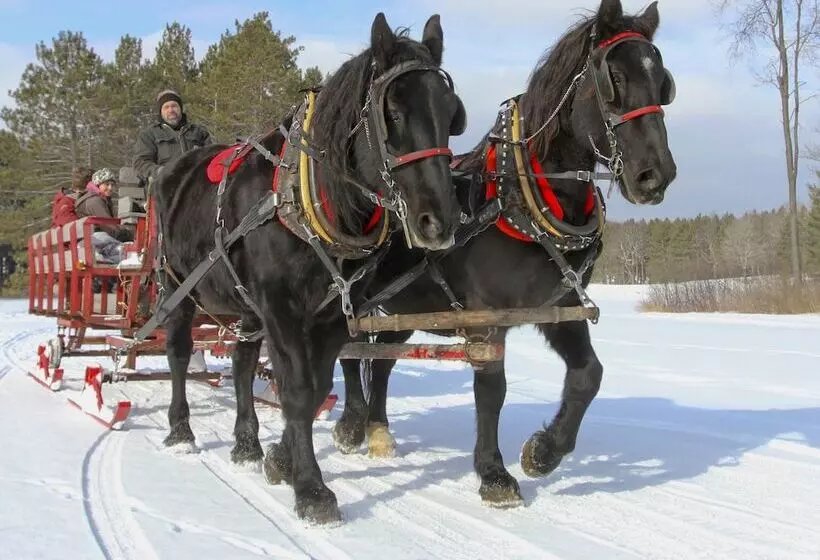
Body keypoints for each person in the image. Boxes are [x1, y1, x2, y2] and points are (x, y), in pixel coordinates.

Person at [132, 89, 213, 186]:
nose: (171, 110)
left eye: (174, 106)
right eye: (166, 107)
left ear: (180, 109)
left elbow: (211, 157)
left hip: (195, 184)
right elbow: (140, 162)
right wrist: (160, 172)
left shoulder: (198, 132)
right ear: (161, 112)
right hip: (164, 185)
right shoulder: (150, 134)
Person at [75, 168, 134, 264]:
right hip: (94, 239)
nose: (110, 188)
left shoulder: (101, 199)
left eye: (112, 185)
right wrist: (130, 235)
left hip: (94, 239)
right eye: (106, 184)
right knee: (129, 252)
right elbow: (109, 227)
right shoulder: (94, 201)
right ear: (98, 185)